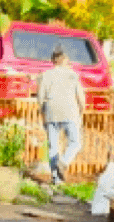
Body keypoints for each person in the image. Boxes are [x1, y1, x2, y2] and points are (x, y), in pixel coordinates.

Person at [36, 45, 85, 185]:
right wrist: (81, 111)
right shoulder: (72, 75)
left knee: (53, 146)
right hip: (70, 111)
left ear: (53, 61)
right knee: (75, 143)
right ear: (64, 60)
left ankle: (56, 179)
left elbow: (40, 97)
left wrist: (42, 112)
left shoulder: (46, 75)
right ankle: (63, 162)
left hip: (51, 111)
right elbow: (81, 98)